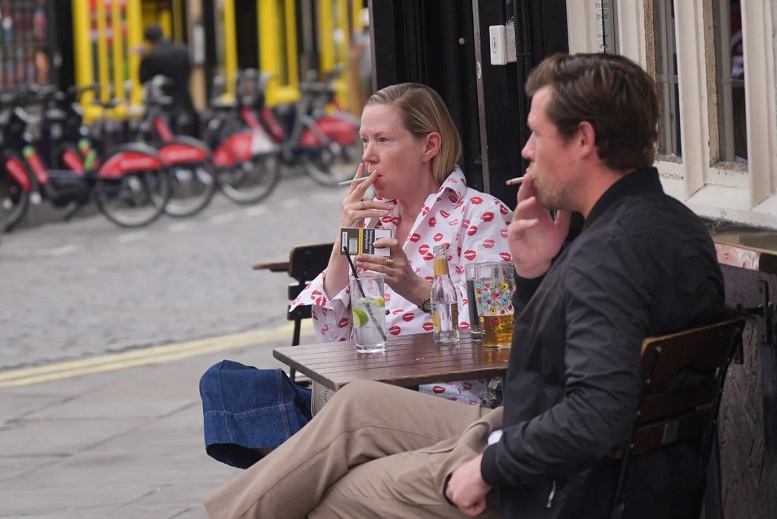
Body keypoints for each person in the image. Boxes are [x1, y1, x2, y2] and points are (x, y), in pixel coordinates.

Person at [205, 53, 726, 518]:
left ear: (583, 140)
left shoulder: (604, 254)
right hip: (524, 434)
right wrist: (533, 273)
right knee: (354, 408)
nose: (524, 151)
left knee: (327, 496)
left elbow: (594, 411)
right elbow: (549, 361)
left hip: (542, 475)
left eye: (537, 135)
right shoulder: (671, 227)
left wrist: (489, 466)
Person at [199, 82, 513, 469]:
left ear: (429, 146)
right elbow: (335, 339)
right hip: (355, 394)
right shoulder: (373, 220)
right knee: (224, 383)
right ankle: (316, 469)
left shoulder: (480, 214)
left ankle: (308, 472)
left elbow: (500, 333)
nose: (368, 157)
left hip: (436, 401)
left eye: (383, 140)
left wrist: (417, 289)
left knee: (327, 429)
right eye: (364, 140)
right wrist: (339, 243)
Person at [138, 24, 196, 136]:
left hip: (163, 110)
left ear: (149, 41)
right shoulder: (183, 51)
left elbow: (143, 80)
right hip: (185, 104)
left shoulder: (152, 56)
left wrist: (143, 59)